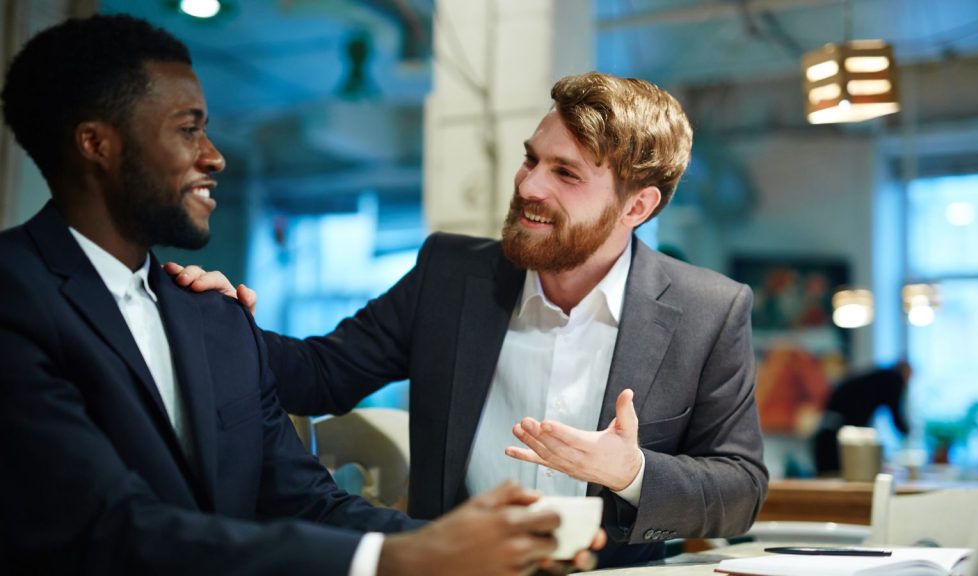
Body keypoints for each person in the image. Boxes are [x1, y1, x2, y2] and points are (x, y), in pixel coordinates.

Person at [0, 14, 601, 575]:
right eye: (188, 129)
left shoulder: (213, 317)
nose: (215, 156)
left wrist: (490, 546)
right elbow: (108, 528)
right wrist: (406, 558)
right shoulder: (15, 294)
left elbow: (306, 500)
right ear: (96, 144)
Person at [172, 71, 768, 566]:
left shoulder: (709, 311)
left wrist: (632, 471)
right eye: (532, 159)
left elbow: (741, 488)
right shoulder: (451, 275)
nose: (529, 185)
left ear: (637, 205)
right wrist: (226, 326)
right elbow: (321, 373)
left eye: (565, 174)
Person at [812, 360, 911, 475]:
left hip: (830, 430)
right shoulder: (894, 379)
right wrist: (907, 432)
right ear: (904, 371)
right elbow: (896, 413)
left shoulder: (878, 376)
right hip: (840, 434)